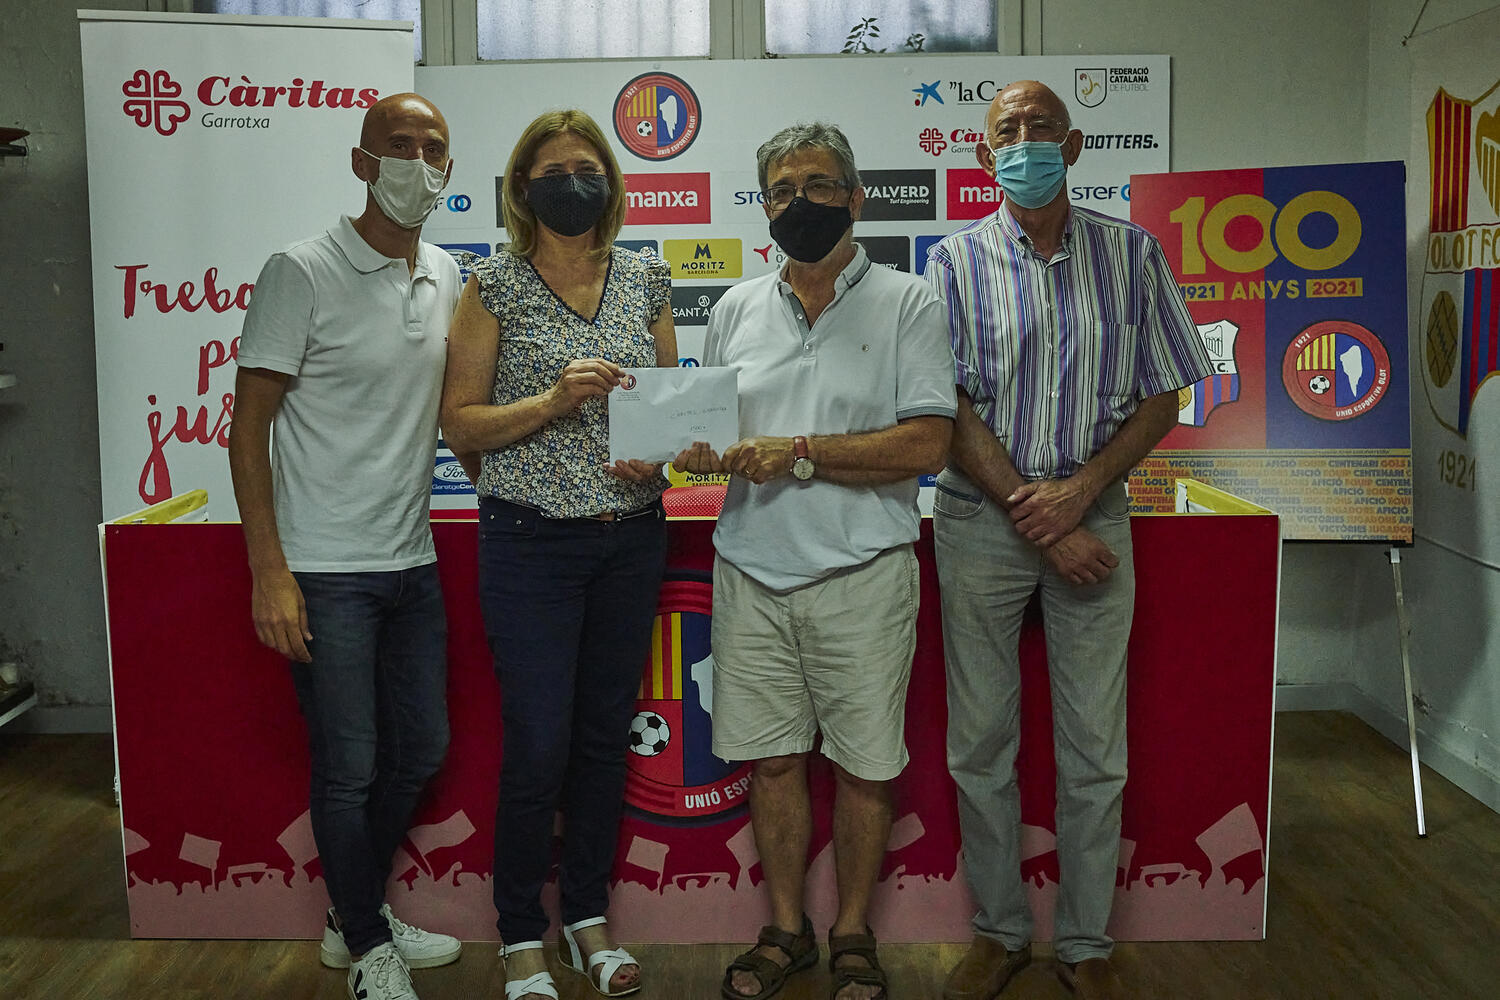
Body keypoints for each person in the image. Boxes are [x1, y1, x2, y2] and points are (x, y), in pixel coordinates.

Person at [924, 80, 1215, 1000]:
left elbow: (1166, 393)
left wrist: (1080, 493)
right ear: (985, 156)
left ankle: (1086, 944)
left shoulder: (1133, 254)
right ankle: (1000, 932)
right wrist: (1037, 515)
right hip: (981, 523)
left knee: (1095, 746)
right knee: (980, 743)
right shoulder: (952, 262)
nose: (1025, 142)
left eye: (1041, 127)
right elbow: (945, 407)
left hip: (1097, 519)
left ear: (1075, 144)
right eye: (1007, 131)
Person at [674, 122, 956, 1000]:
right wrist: (692, 449)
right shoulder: (733, 308)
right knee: (771, 763)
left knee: (865, 767)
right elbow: (714, 438)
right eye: (782, 190)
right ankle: (788, 929)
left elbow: (928, 443)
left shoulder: (910, 302)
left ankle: (854, 931)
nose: (801, 202)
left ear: (857, 197)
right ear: (764, 206)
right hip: (751, 572)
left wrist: (798, 452)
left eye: (820, 185)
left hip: (862, 574)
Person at [228, 93, 463, 1000]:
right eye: (398, 146)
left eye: (433, 150)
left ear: (449, 171)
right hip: (323, 570)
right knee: (349, 765)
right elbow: (248, 430)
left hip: (411, 562)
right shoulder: (300, 269)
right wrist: (269, 570)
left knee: (422, 748)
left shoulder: (446, 273)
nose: (416, 163)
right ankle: (367, 946)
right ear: (363, 162)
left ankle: (350, 910)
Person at [439, 109, 676, 1000]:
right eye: (552, 172)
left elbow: (668, 410)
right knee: (539, 744)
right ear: (521, 188)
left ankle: (586, 919)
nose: (572, 183)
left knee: (601, 742)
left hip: (630, 539)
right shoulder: (492, 284)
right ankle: (518, 935)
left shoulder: (646, 276)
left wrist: (658, 451)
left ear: (610, 183)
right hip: (530, 543)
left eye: (587, 168)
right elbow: (460, 425)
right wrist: (549, 401)